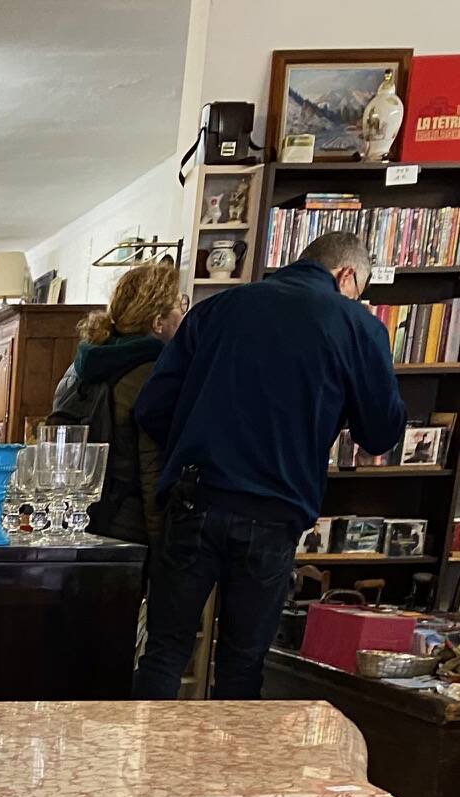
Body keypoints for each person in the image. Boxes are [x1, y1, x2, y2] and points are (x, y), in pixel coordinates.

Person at [132, 229, 406, 700]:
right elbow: (379, 432)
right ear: (346, 276)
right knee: (241, 664)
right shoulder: (357, 327)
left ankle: (139, 772)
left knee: (164, 651)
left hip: (196, 497)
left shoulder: (218, 309)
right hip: (275, 508)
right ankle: (228, 773)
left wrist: (200, 441)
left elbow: (152, 408)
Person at [50, 261, 184, 550]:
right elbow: (152, 469)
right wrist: (164, 554)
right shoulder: (153, 375)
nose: (183, 316)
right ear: (158, 322)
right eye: (179, 306)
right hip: (127, 525)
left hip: (73, 516)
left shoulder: (81, 365)